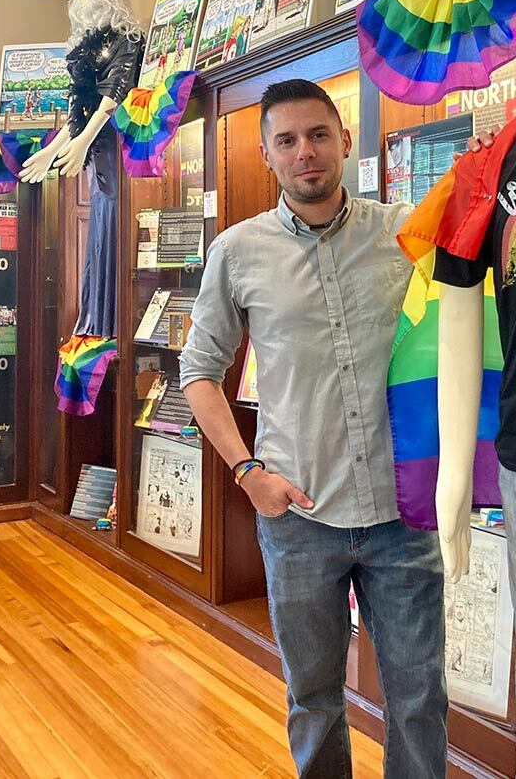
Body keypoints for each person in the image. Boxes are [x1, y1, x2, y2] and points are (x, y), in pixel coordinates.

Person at [180, 79, 447, 778]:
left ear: (345, 141)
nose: (307, 153)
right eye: (288, 141)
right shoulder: (238, 252)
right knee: (314, 697)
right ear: (268, 155)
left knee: (419, 698)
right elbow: (199, 374)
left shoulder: (404, 233)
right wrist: (247, 474)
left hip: (403, 515)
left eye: (319, 135)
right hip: (299, 515)